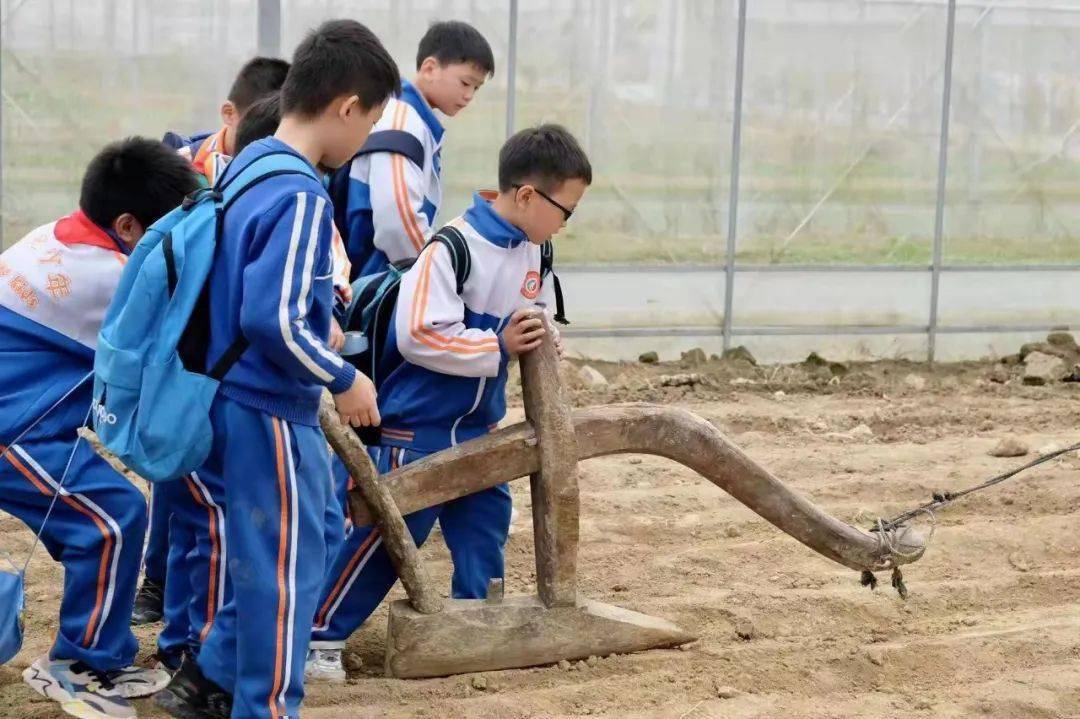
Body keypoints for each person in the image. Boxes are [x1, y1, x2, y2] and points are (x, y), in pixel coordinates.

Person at [153, 19, 398, 719]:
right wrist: (345, 377)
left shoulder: (251, 165)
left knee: (314, 526)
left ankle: (212, 674)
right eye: (372, 122)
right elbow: (276, 320)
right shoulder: (298, 191)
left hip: (242, 394)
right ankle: (264, 705)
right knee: (282, 571)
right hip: (268, 402)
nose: (365, 140)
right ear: (347, 107)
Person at [306, 124, 591, 681]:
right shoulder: (452, 248)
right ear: (528, 195)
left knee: (485, 525)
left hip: (480, 426)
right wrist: (495, 344)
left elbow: (530, 311)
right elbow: (417, 334)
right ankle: (320, 632)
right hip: (419, 428)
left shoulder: (535, 246)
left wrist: (541, 334)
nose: (565, 223)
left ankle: (476, 623)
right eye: (567, 209)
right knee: (392, 533)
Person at [0, 137, 199, 719]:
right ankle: (78, 663)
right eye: (168, 233)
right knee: (110, 521)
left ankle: (103, 652)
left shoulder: (57, 235)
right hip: (13, 429)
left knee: (106, 512)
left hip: (23, 413)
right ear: (129, 226)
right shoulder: (109, 274)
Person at [135, 57, 292, 629]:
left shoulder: (280, 181)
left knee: (203, 489)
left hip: (227, 360)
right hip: (179, 353)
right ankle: (157, 585)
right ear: (231, 114)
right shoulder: (178, 171)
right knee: (172, 476)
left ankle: (184, 601)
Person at [331, 20, 494, 279]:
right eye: (465, 82)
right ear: (429, 68)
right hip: (379, 280)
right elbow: (398, 223)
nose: (469, 95)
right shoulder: (401, 121)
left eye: (476, 88)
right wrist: (440, 274)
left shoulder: (415, 120)